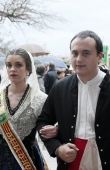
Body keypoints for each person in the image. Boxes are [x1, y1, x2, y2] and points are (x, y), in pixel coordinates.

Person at [36, 30, 110, 170]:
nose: (79, 59)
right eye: (75, 53)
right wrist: (57, 148)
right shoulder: (60, 87)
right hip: (70, 160)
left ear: (100, 56)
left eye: (86, 53)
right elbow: (42, 122)